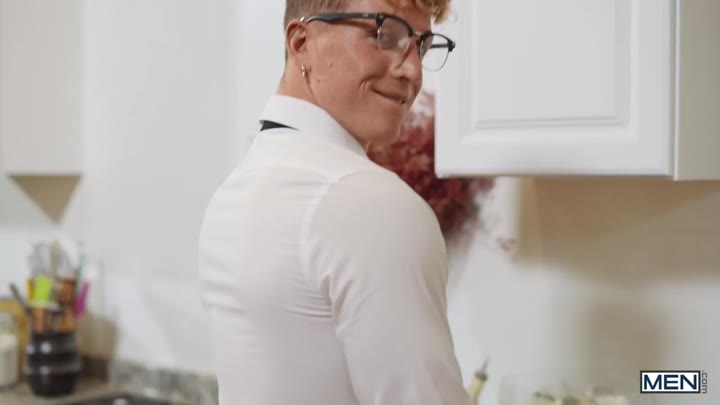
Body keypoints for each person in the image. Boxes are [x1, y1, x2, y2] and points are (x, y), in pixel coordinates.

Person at [197, 0, 470, 403]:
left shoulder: (237, 188)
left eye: (422, 46)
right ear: (302, 42)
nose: (413, 71)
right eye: (385, 36)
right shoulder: (372, 203)